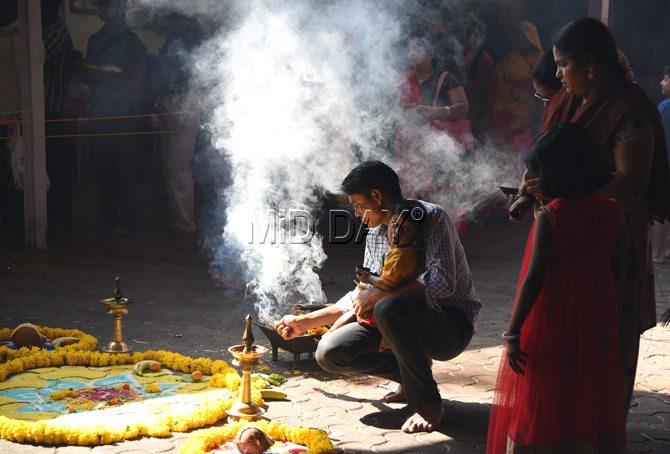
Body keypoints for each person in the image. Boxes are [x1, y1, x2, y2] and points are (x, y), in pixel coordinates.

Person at [513, 17, 670, 413]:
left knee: (606, 328)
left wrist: (560, 191)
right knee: (562, 324)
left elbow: (630, 182)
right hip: (565, 229)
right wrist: (526, 191)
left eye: (564, 65)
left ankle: (603, 422)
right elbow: (546, 158)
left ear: (591, 64)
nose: (559, 74)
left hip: (609, 234)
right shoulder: (569, 100)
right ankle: (562, 417)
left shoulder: (628, 109)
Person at [274, 161, 480, 433]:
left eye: (359, 205)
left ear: (378, 196)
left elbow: (443, 284)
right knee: (329, 353)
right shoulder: (375, 233)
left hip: (449, 325)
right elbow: (361, 295)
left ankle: (428, 404)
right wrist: (305, 322)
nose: (357, 214)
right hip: (394, 319)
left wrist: (382, 293)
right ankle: (410, 377)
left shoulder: (431, 218)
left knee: (388, 308)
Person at [487, 123, 626, 454]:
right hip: (596, 306)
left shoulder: (552, 216)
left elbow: (535, 277)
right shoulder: (611, 209)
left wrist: (512, 331)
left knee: (545, 380)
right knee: (583, 378)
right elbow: (614, 264)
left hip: (554, 308)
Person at [86, 0, 147, 236]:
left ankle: (128, 223)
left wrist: (104, 78)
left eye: (107, 6)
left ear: (121, 9)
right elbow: (89, 71)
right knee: (104, 172)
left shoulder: (132, 42)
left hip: (123, 117)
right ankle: (107, 219)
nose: (102, 10)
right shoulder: (95, 39)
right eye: (100, 6)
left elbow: (137, 83)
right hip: (99, 115)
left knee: (126, 172)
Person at [154, 11, 203, 235]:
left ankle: (185, 223)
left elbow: (184, 75)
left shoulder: (188, 34)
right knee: (173, 169)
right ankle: (181, 221)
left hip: (184, 103)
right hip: (177, 102)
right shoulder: (181, 32)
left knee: (177, 169)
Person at [354, 199, 426, 328]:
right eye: (395, 224)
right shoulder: (399, 250)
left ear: (416, 235)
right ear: (389, 220)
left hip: (396, 307)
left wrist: (368, 278)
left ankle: (387, 338)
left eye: (406, 229)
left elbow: (387, 285)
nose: (397, 232)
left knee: (357, 316)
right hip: (395, 303)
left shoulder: (402, 256)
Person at [487, 21, 543, 153]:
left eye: (520, 35)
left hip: (528, 113)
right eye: (514, 35)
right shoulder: (510, 58)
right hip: (504, 110)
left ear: (529, 37)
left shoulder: (540, 61)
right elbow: (496, 82)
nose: (516, 38)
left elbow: (542, 89)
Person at [42, 0, 74, 226]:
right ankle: (56, 212)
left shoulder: (53, 32)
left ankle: (57, 213)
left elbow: (36, 63)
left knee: (53, 163)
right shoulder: (54, 29)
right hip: (50, 108)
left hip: (51, 108)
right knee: (53, 163)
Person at [461, 12, 494, 142]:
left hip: (476, 109)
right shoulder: (462, 55)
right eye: (471, 35)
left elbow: (485, 89)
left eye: (477, 35)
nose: (474, 38)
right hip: (463, 105)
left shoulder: (484, 58)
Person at [651, 65, 670, 262]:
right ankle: (665, 249)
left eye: (665, 79)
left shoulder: (665, 107)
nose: (661, 83)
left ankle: (657, 252)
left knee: (660, 207)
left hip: (666, 163)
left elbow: (657, 137)